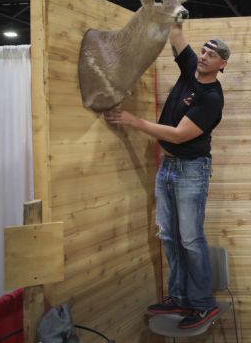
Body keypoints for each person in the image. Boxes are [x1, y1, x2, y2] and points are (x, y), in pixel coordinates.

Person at [104, 17, 230, 329]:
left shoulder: (212, 98)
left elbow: (176, 135)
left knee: (190, 238)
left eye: (211, 54)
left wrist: (135, 121)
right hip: (168, 167)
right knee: (170, 236)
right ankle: (178, 297)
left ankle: (202, 304)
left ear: (222, 64)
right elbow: (175, 30)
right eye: (203, 50)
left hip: (191, 171)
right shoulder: (190, 69)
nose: (203, 55)